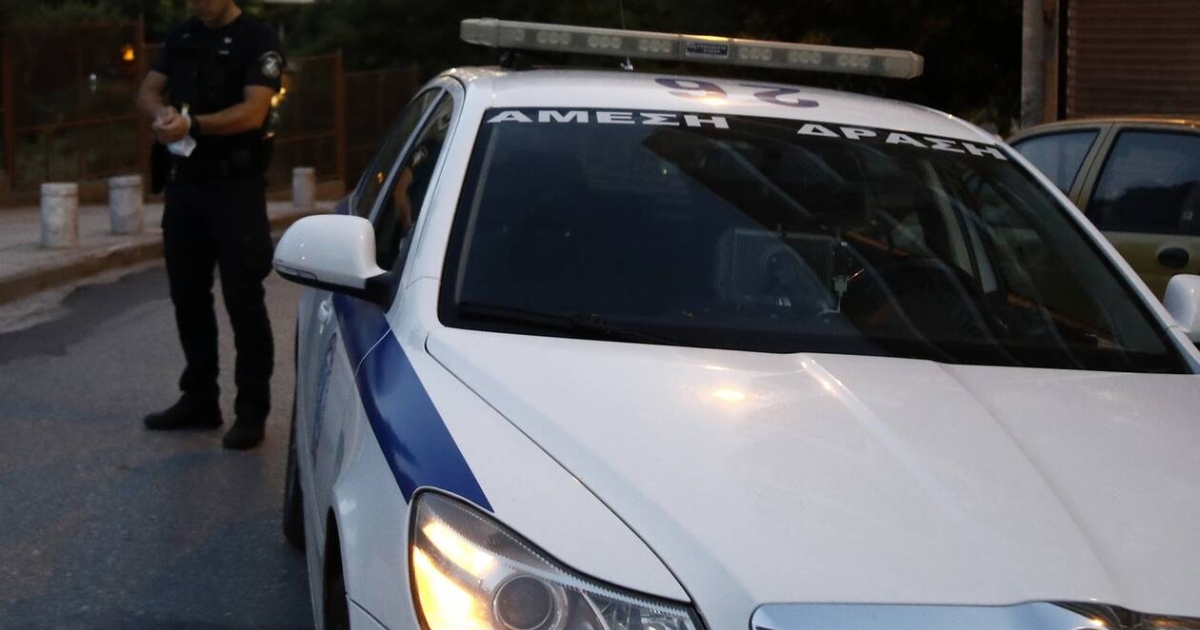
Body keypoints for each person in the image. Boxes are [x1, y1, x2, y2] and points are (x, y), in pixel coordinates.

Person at [136, 0, 284, 450]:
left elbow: (253, 111)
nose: (196, 2)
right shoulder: (182, 35)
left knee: (243, 300)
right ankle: (199, 399)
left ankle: (251, 411)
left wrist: (193, 125)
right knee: (188, 296)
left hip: (235, 189)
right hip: (185, 185)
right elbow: (148, 90)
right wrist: (161, 115)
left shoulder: (258, 40)